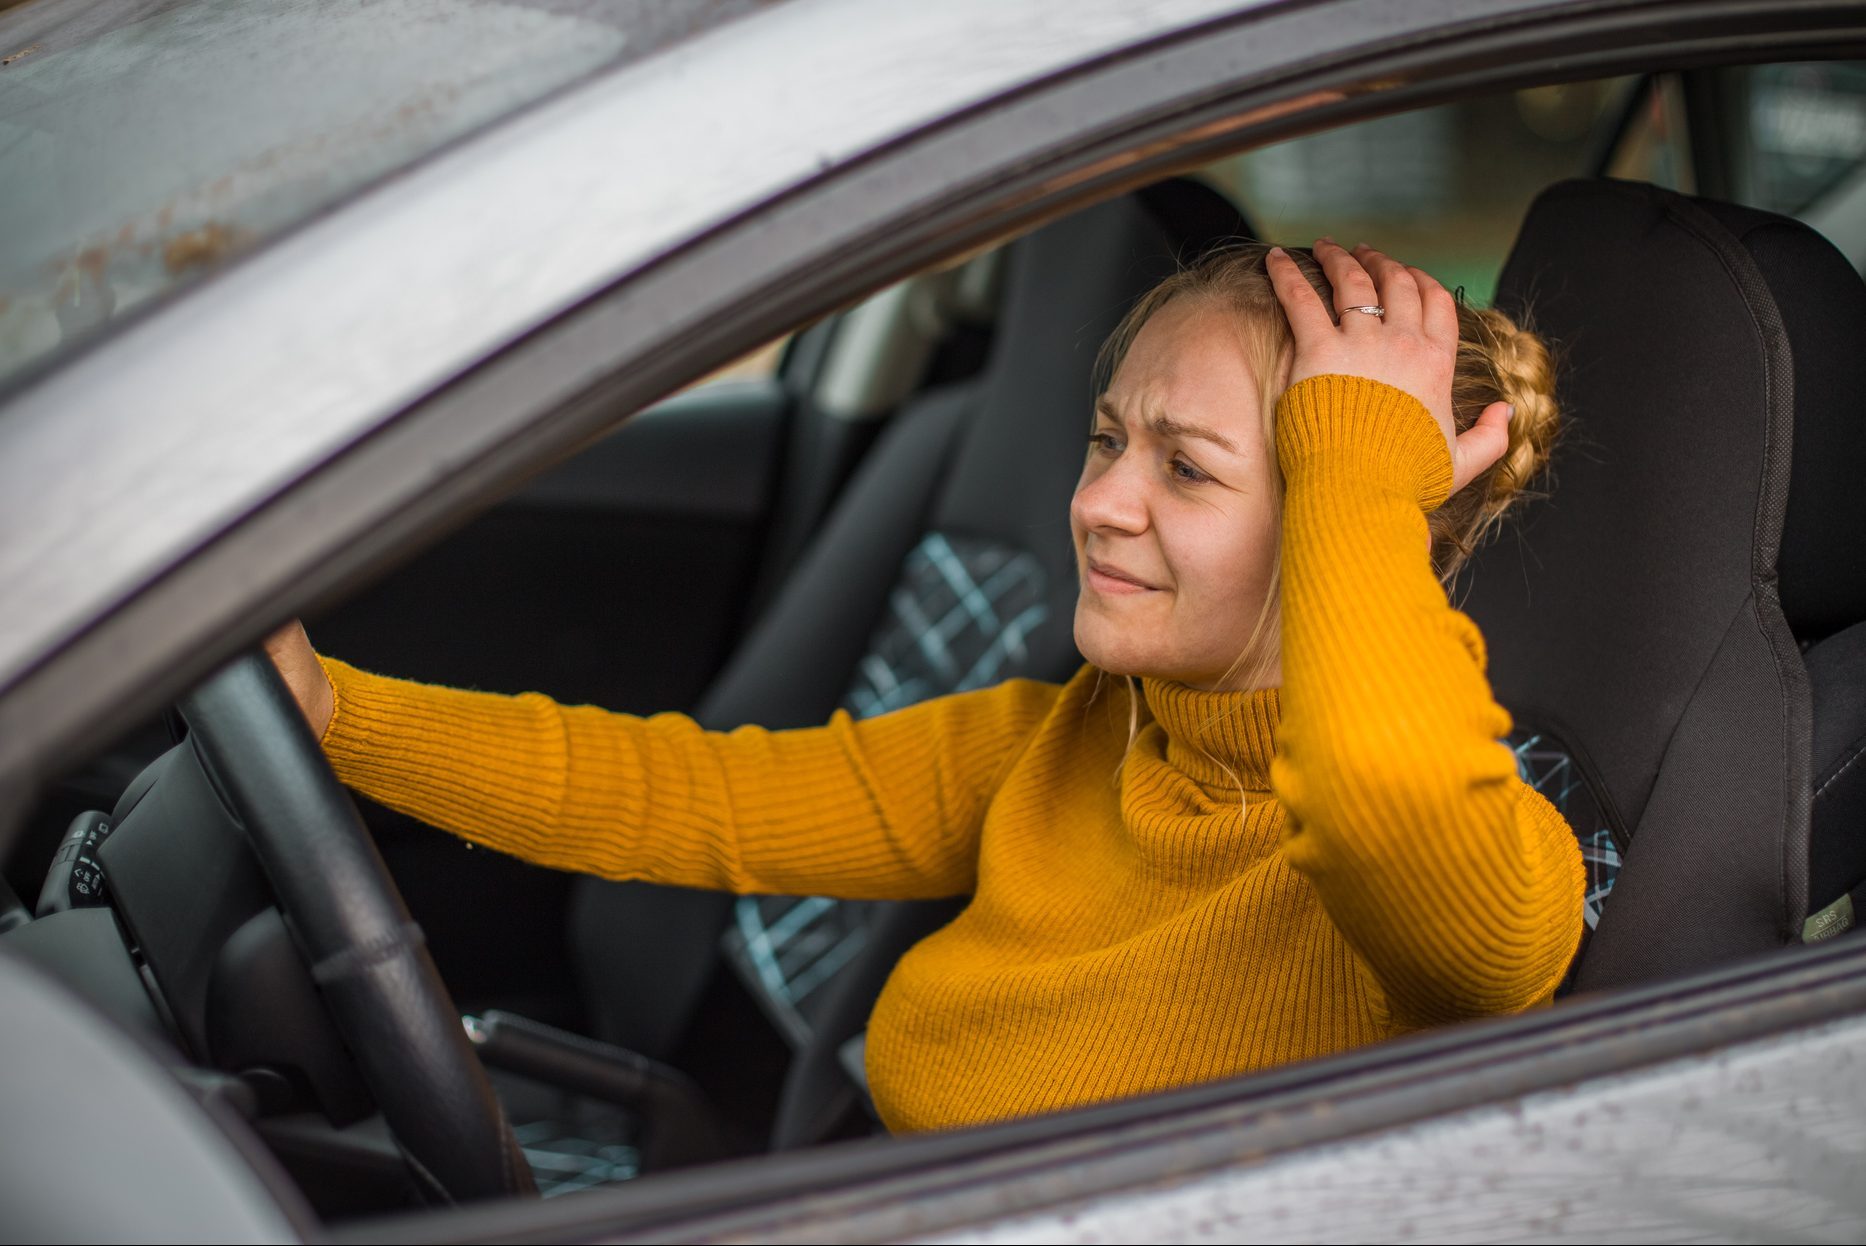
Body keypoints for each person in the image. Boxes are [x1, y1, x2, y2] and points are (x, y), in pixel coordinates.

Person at [266, 239, 1583, 1135]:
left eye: (1186, 468)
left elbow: (1378, 800)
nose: (1097, 502)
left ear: (1347, 523)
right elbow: (698, 796)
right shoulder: (1064, 743)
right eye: (1108, 437)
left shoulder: (1487, 866)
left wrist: (1359, 477)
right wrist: (336, 716)